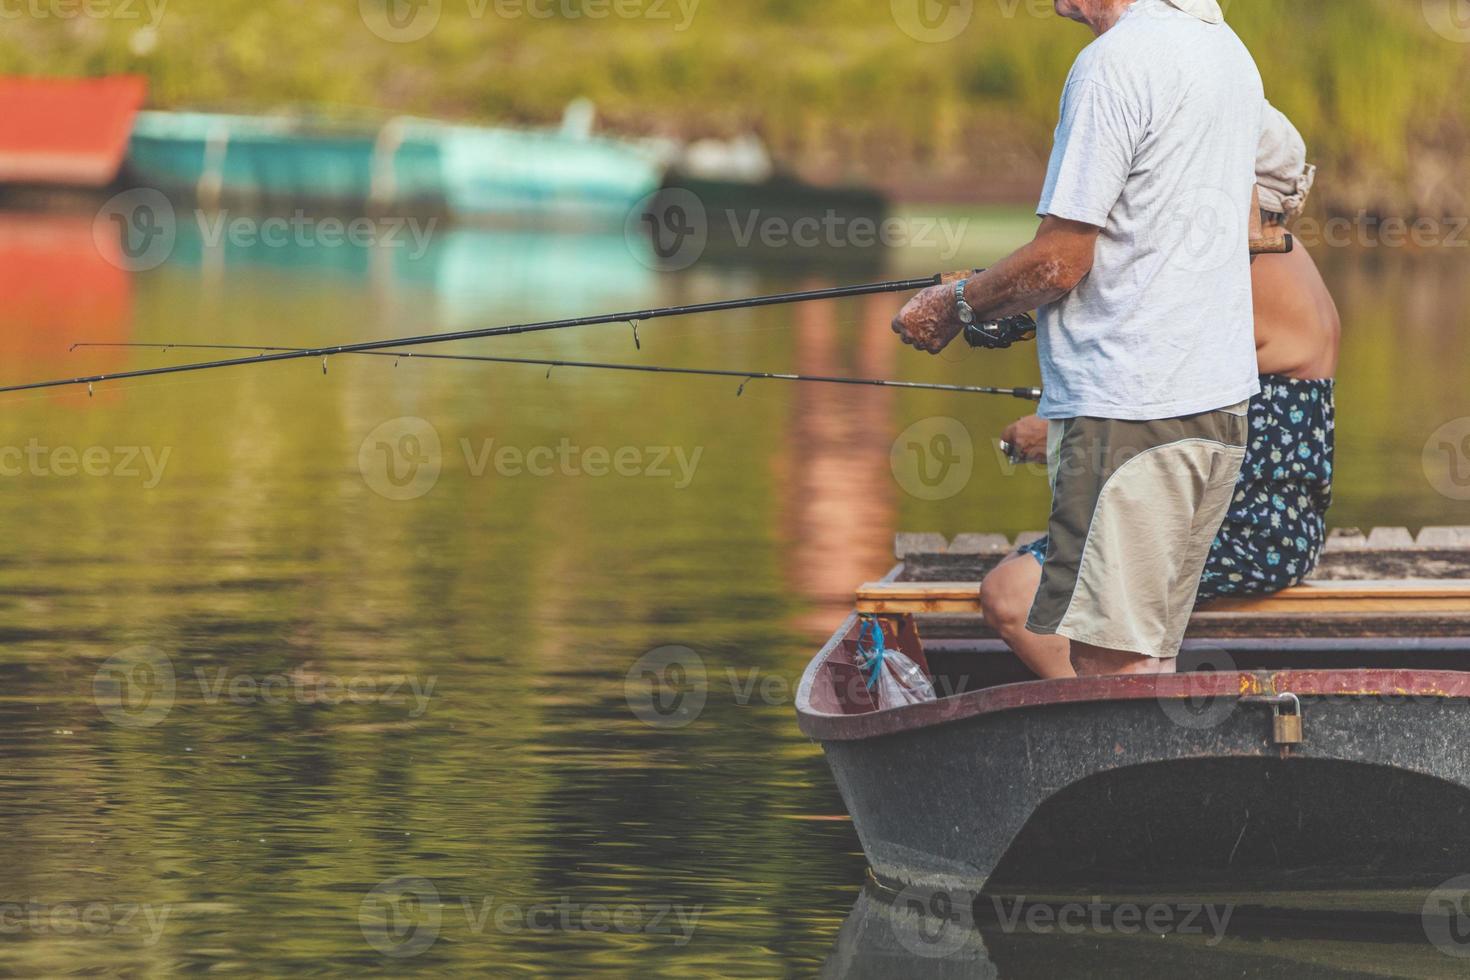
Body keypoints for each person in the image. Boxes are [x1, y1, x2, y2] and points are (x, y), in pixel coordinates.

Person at [891, 0, 1265, 677]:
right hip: (1215, 410)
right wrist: (999, 300)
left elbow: (1061, 260)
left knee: (1108, 673)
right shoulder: (1225, 51)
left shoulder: (1112, 64)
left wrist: (956, 305)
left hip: (1129, 417)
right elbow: (1183, 239)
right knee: (1146, 663)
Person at [982, 105, 1339, 679]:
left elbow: (1158, 393)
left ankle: (1119, 740)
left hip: (1247, 532)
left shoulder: (1242, 271)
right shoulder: (1270, 258)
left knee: (1010, 594)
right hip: (1272, 525)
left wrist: (1050, 431)